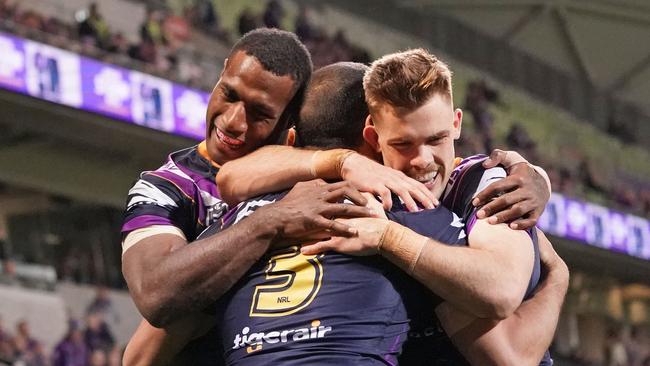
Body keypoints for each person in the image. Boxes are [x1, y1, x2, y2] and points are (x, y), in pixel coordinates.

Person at [123, 62, 566, 365]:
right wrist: (558, 275)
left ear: (291, 140)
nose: (421, 161)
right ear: (373, 138)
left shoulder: (232, 232)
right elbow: (509, 355)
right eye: (402, 144)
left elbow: (140, 356)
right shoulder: (410, 212)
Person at [122, 28, 444, 332]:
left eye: (260, 113)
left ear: (292, 120)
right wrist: (271, 222)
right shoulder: (167, 187)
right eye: (229, 94)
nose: (233, 121)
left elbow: (427, 165)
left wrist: (487, 170)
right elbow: (155, 295)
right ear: (222, 72)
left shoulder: (319, 176)